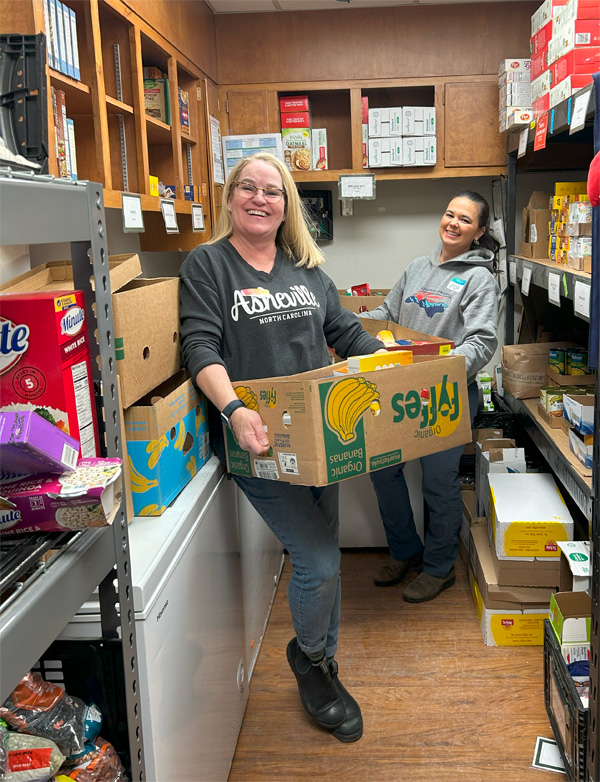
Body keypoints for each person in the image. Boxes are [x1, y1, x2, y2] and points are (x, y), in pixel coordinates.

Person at [178, 152, 386, 742]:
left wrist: (395, 363)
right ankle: (309, 663)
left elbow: (344, 332)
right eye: (249, 187)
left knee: (328, 563)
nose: (260, 199)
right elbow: (201, 347)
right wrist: (235, 410)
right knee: (318, 561)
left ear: (286, 204)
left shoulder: (307, 270)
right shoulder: (208, 265)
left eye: (273, 191)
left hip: (315, 439)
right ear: (231, 197)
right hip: (257, 444)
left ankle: (324, 658)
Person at [361, 190, 500, 603]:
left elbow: (482, 341)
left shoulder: (479, 279)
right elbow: (385, 314)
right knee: (383, 470)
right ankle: (406, 552)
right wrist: (345, 322)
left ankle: (439, 569)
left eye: (465, 219)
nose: (453, 223)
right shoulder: (417, 268)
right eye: (449, 214)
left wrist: (442, 370)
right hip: (402, 391)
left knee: (438, 482)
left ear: (478, 232)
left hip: (447, 394)